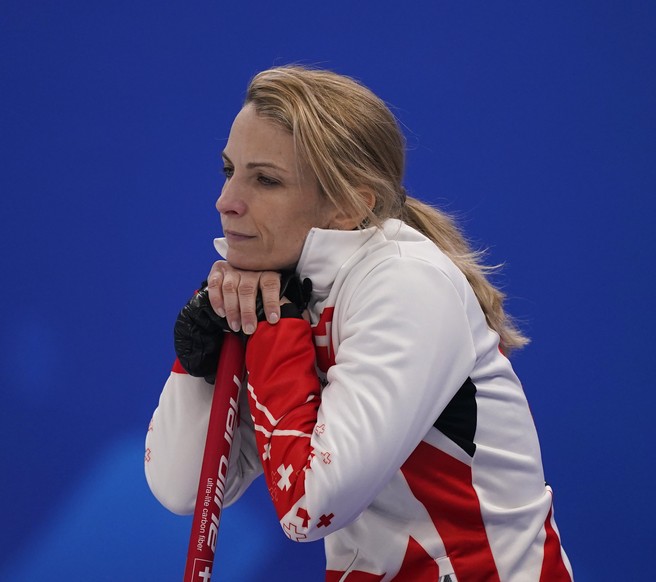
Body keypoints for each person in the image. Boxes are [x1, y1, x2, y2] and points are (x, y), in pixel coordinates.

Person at [145, 65, 572, 581]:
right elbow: (182, 487)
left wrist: (271, 329)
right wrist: (199, 365)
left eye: (265, 180)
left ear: (349, 205)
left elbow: (309, 505)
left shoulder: (406, 284)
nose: (226, 202)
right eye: (228, 170)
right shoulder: (285, 283)